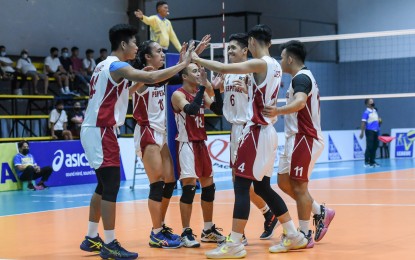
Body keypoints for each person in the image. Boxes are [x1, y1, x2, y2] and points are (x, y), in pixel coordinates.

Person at [192, 24, 307, 258]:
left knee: (242, 187)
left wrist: (195, 57)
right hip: (264, 132)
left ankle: (234, 243)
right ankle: (294, 234)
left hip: (254, 131)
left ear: (251, 43)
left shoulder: (260, 63)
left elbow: (223, 66)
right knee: (262, 187)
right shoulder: (274, 64)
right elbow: (225, 79)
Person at [79, 24, 193, 259]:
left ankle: (91, 237)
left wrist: (140, 83)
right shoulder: (118, 65)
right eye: (133, 43)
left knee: (103, 186)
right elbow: (152, 76)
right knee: (111, 186)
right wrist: (183, 64)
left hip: (97, 129)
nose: (135, 47)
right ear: (123, 45)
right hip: (102, 130)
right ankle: (110, 243)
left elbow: (127, 92)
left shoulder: (104, 66)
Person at [262, 40, 335, 248]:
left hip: (305, 137)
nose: (281, 61)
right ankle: (320, 211)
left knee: (300, 188)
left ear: (290, 59)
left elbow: (301, 102)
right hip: (294, 138)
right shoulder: (298, 77)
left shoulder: (301, 78)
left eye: (282, 57)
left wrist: (278, 110)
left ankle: (304, 235)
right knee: (284, 182)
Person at [216, 33, 279, 243]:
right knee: (240, 181)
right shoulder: (229, 75)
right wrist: (212, 88)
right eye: (229, 49)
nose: (230, 52)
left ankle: (239, 235)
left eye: (234, 48)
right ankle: (268, 214)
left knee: (246, 183)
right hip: (235, 129)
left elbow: (265, 100)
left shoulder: (253, 71)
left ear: (246, 50)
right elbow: (219, 107)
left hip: (250, 128)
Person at [171, 62, 225, 248]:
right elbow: (191, 109)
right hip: (187, 145)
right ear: (185, 76)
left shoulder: (199, 93)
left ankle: (208, 230)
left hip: (201, 144)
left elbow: (219, 110)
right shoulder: (178, 94)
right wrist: (204, 86)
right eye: (195, 71)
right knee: (189, 189)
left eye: (199, 70)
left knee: (209, 187)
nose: (199, 73)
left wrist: (216, 90)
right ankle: (186, 232)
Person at [360, 98, 381, 167]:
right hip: (370, 131)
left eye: (373, 101)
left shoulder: (375, 111)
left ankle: (372, 161)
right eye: (370, 102)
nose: (372, 103)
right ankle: (366, 162)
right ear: (367, 104)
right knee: (369, 146)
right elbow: (363, 123)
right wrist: (362, 132)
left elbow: (377, 121)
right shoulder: (366, 112)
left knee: (375, 146)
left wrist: (379, 122)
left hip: (376, 131)